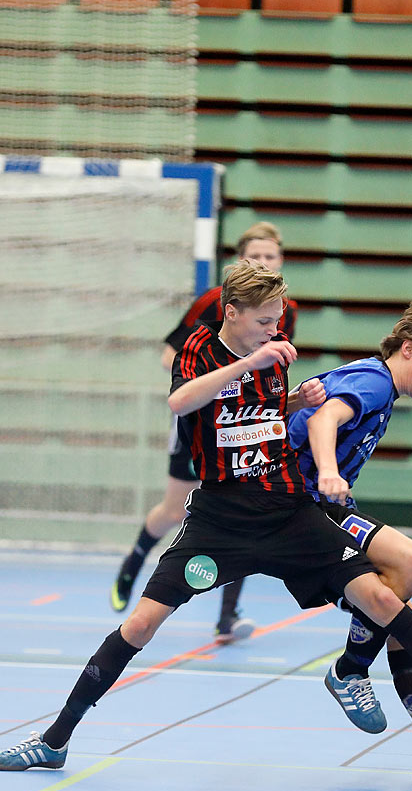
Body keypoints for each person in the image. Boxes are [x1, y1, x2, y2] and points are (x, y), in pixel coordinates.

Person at [0, 261, 412, 772]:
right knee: (140, 624)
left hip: (285, 511)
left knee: (384, 596)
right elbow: (183, 402)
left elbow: (255, 418)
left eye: (277, 321)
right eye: (263, 321)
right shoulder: (202, 348)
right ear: (232, 313)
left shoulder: (278, 355)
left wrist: (294, 404)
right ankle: (54, 740)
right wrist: (257, 367)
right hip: (218, 520)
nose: (274, 331)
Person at [287, 294, 412, 789]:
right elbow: (321, 419)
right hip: (298, 509)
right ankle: (350, 670)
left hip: (322, 506)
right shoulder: (375, 382)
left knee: (400, 613)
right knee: (408, 564)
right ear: (407, 348)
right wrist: (332, 473)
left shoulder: (377, 383)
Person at [109, 221, 296, 644]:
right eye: (255, 257)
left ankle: (226, 617)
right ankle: (133, 566)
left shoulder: (284, 310)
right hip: (201, 418)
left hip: (247, 425)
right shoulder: (212, 304)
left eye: (270, 257)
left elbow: (271, 370)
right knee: (173, 511)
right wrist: (214, 381)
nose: (263, 263)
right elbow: (172, 358)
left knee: (248, 505)